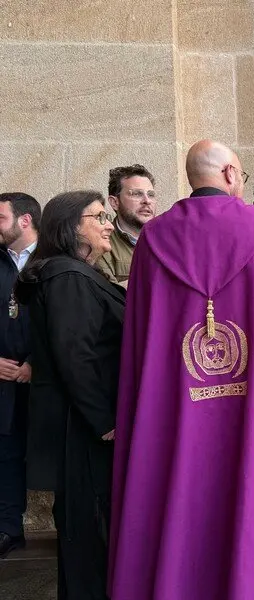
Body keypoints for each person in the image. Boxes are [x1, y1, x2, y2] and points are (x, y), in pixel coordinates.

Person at [108, 140, 254, 600]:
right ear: (233, 174)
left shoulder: (154, 237)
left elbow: (143, 336)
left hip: (178, 402)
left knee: (182, 482)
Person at [16, 191, 123, 599]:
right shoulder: (67, 277)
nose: (108, 224)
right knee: (86, 530)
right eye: (98, 217)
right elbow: (74, 355)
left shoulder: (73, 273)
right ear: (70, 226)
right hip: (80, 429)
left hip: (81, 425)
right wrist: (105, 420)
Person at [0, 192, 39, 558]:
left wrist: (35, 363)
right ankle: (9, 528)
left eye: (0, 218)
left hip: (43, 377)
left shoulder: (51, 260)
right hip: (2, 380)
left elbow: (67, 322)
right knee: (6, 453)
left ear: (24, 220)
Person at [96, 164, 157, 286]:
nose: (147, 201)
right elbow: (112, 298)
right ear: (115, 202)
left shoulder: (169, 241)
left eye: (150, 194)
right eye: (136, 194)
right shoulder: (102, 245)